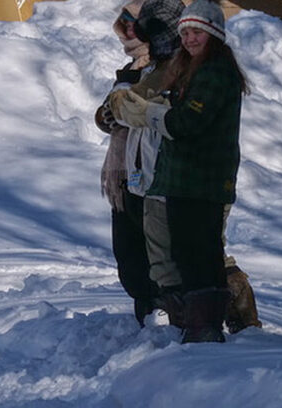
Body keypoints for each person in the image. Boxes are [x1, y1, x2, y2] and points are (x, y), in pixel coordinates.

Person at [117, 0, 247, 342]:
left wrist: (151, 114)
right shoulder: (185, 67)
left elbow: (188, 120)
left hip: (200, 178)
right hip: (174, 178)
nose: (188, 39)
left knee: (200, 254)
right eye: (185, 33)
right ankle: (192, 323)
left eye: (196, 33)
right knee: (180, 255)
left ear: (214, 35)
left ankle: (207, 326)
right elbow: (114, 112)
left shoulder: (215, 70)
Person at [97, 0, 181, 326]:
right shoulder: (131, 70)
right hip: (125, 172)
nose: (126, 35)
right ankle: (146, 311)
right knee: (129, 255)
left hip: (151, 172)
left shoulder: (166, 66)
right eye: (123, 28)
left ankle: (164, 314)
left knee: (157, 253)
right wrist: (110, 112)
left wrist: (121, 107)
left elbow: (142, 112)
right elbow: (108, 113)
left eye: (131, 28)